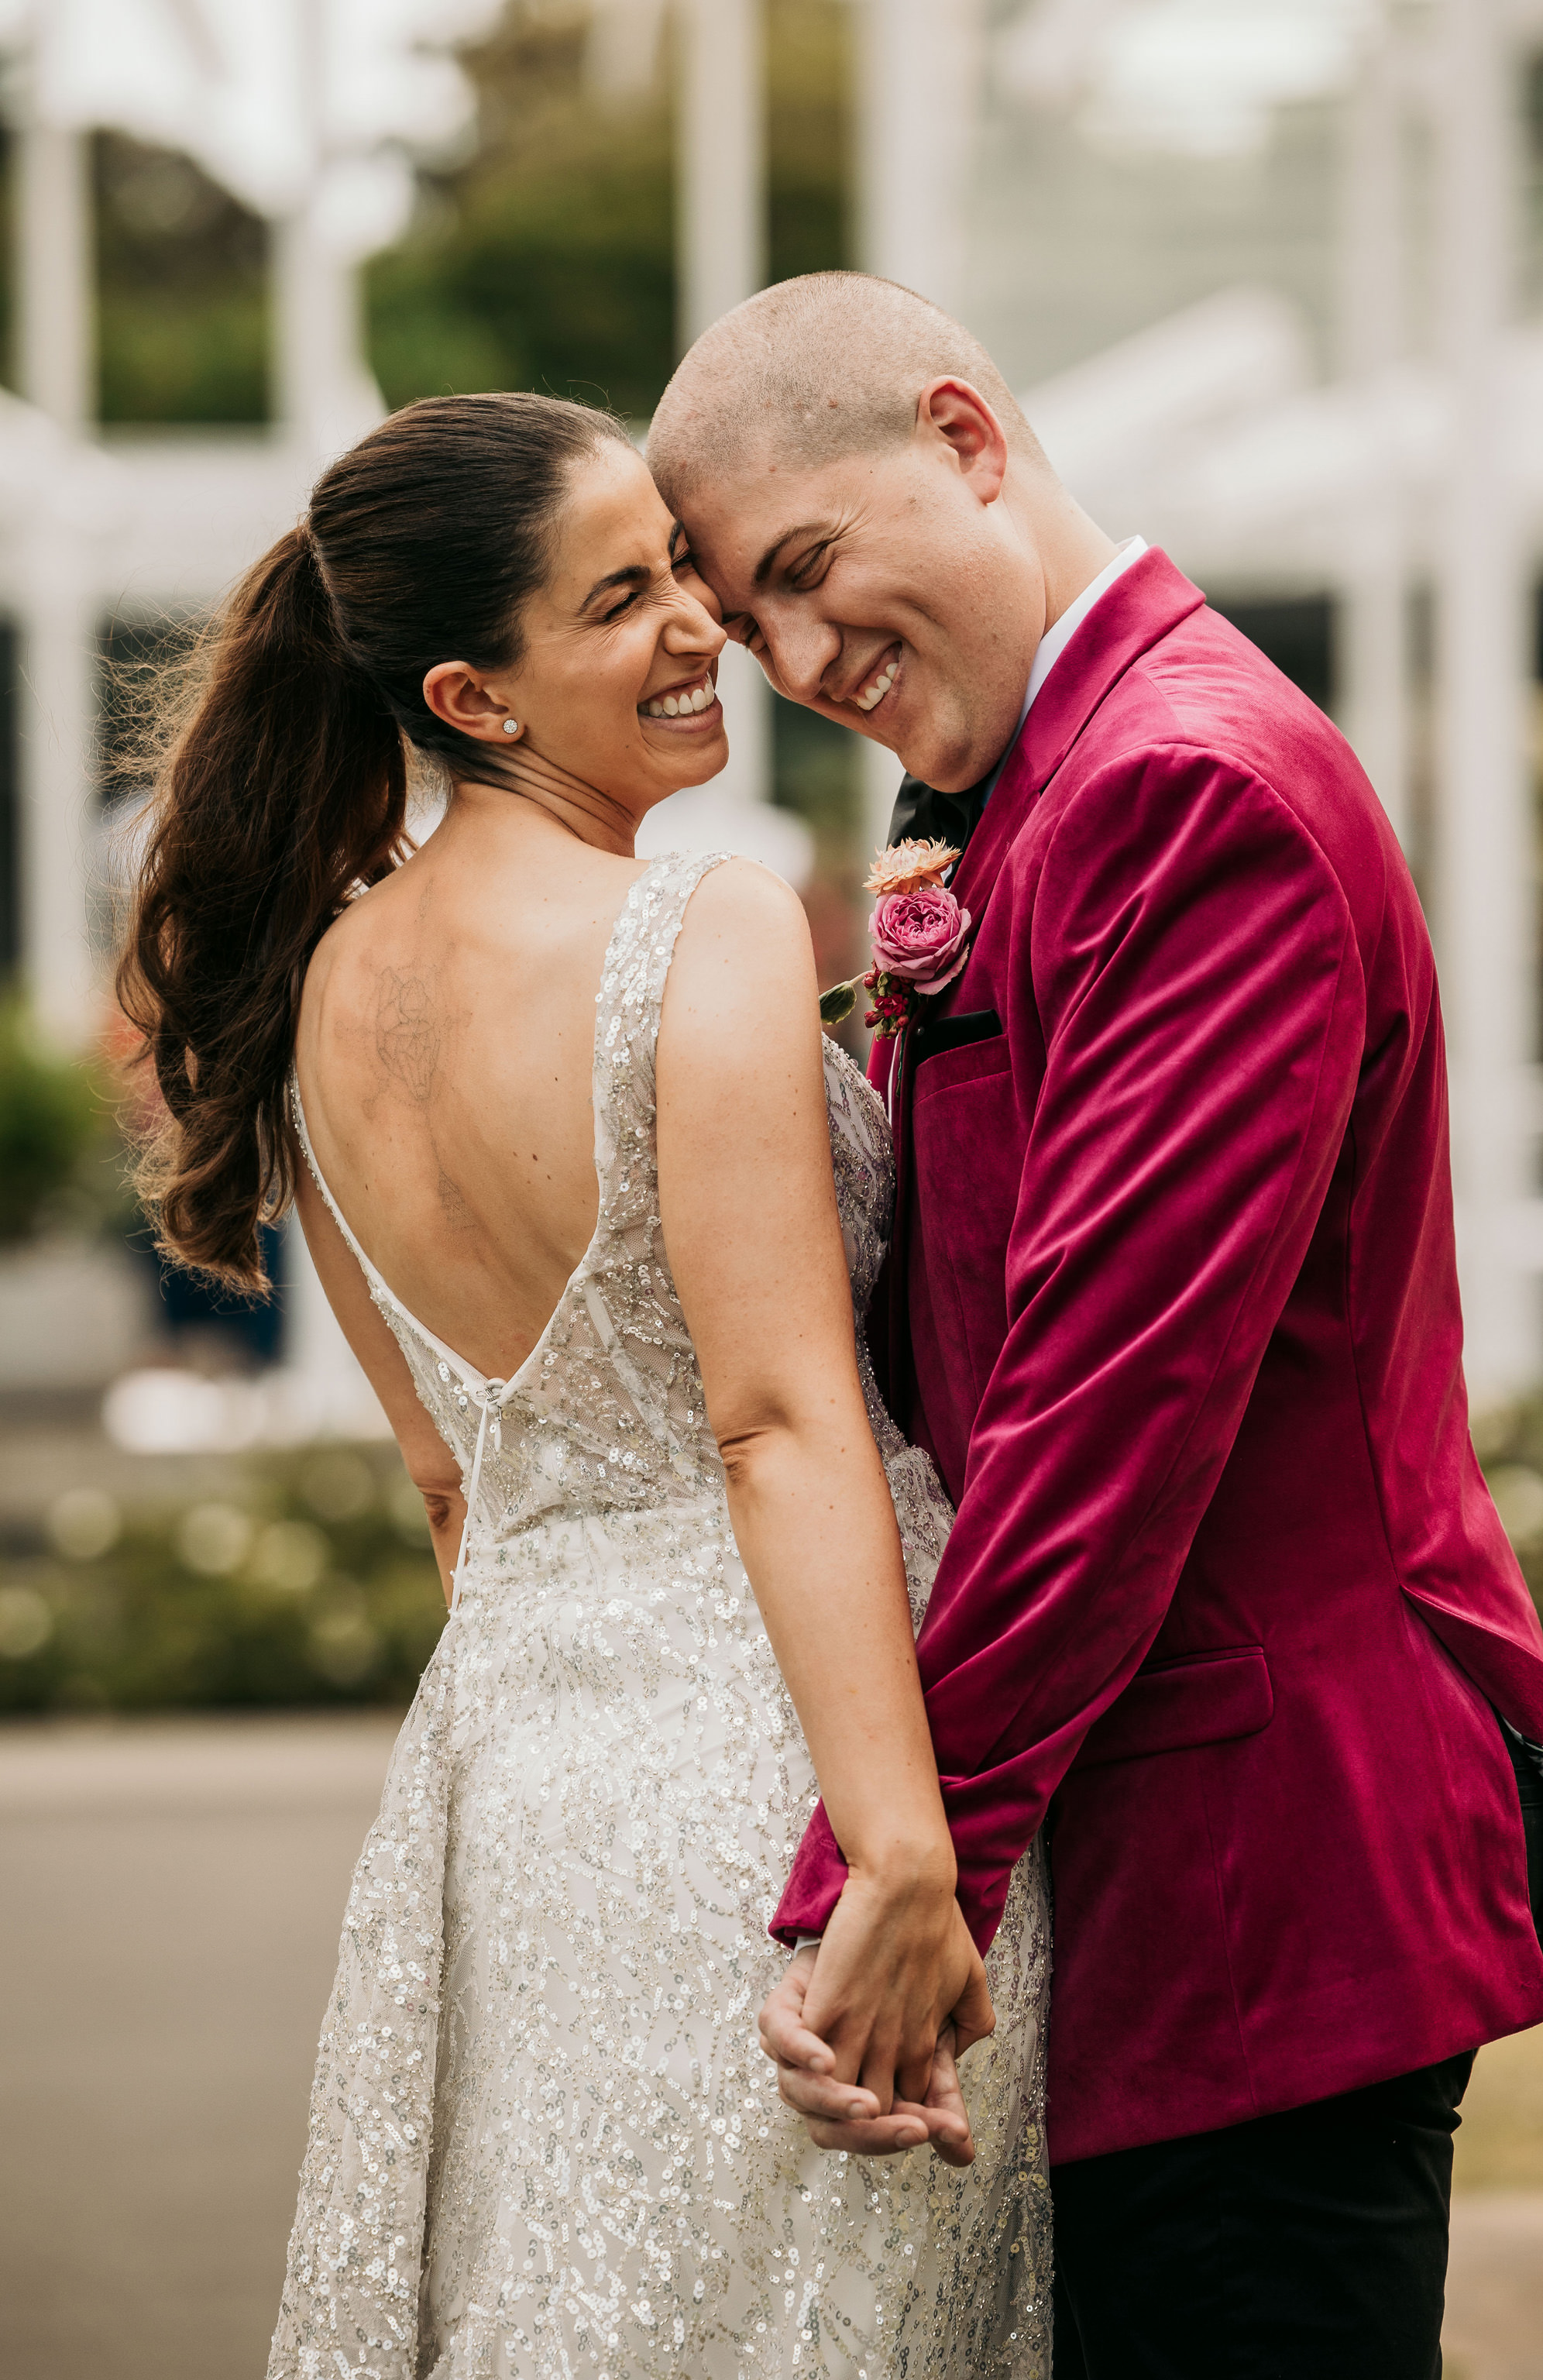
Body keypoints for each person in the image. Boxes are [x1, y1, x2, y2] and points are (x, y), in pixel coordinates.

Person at [646, 272, 1543, 2380]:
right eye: (751, 622)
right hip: (1143, 1875)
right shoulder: (1034, 781)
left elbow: (1108, 1407)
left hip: (1257, 1881)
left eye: (806, 567)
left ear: (966, 439)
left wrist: (906, 1865)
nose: (799, 660)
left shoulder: (1190, 786)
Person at [115, 392, 1054, 2379]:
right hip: (796, 1767)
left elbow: (455, 1491)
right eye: (621, 600)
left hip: (519, 1810)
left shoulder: (309, 1001)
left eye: (679, 567)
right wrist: (902, 1847)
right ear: (472, 697)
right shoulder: (700, 924)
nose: (703, 625)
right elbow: (773, 1423)